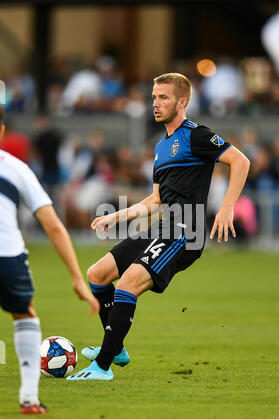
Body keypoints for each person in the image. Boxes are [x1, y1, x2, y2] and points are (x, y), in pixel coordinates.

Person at [67, 73, 250, 382]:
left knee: (127, 284)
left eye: (163, 97)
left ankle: (102, 366)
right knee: (97, 274)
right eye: (153, 97)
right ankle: (117, 347)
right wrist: (117, 216)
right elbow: (155, 199)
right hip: (163, 226)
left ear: (182, 102)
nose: (155, 103)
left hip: (185, 231)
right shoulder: (161, 148)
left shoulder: (196, 135)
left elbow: (241, 161)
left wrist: (227, 207)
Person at [0, 105, 99, 413]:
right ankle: (29, 398)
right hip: (7, 255)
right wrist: (77, 278)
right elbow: (54, 225)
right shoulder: (15, 167)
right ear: (2, 131)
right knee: (25, 314)